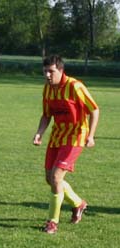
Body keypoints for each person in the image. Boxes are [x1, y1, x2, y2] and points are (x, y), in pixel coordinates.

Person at [33, 55, 100, 234]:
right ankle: (78, 204)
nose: (47, 75)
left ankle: (52, 222)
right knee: (50, 179)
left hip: (76, 136)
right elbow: (47, 114)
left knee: (56, 178)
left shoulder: (75, 86)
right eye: (45, 71)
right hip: (57, 136)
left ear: (61, 71)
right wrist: (39, 133)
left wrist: (91, 136)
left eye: (51, 71)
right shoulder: (47, 89)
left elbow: (94, 110)